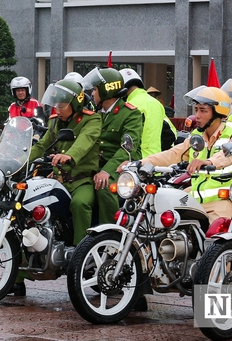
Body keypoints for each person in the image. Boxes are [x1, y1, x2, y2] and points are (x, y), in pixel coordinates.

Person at [132, 86, 232, 221]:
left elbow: (229, 153)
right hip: (194, 197)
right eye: (196, 110)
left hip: (222, 200)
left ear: (217, 113)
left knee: (217, 236)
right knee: (161, 216)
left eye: (203, 111)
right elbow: (173, 154)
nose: (197, 115)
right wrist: (139, 163)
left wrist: (209, 162)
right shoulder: (196, 135)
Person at [30, 79, 102, 246]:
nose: (57, 110)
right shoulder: (55, 121)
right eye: (55, 106)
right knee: (32, 202)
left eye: (61, 106)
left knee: (80, 203)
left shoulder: (92, 120)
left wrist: (69, 156)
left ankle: (80, 252)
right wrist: (20, 158)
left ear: (75, 104)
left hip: (81, 180)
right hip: (58, 180)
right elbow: (43, 145)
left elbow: (84, 142)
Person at [83, 67, 143, 226]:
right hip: (97, 165)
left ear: (106, 91)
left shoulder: (131, 113)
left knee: (104, 186)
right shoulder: (97, 114)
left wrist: (106, 171)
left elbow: (127, 148)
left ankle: (109, 232)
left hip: (122, 166)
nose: (92, 94)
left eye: (95, 89)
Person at [118, 68, 174, 156]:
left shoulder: (129, 105)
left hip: (136, 162)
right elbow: (171, 133)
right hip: (157, 161)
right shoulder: (157, 104)